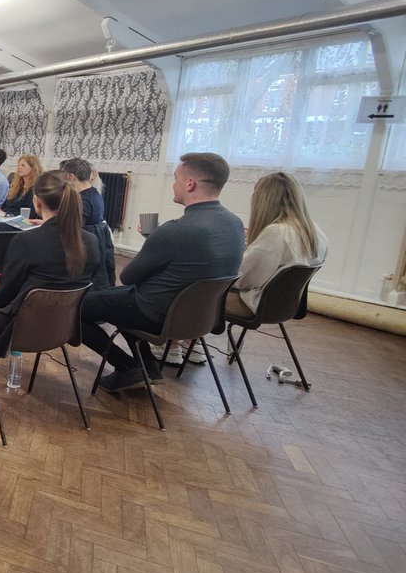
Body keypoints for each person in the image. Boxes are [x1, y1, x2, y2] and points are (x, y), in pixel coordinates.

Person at [79, 152, 244, 393]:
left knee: (75, 306)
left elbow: (128, 277)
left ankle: (127, 366)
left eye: (176, 177)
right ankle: (147, 365)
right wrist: (156, 241)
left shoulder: (175, 231)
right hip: (198, 316)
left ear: (190, 183)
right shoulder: (234, 223)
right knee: (119, 300)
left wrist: (155, 240)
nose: (174, 183)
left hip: (157, 313)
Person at [0, 171, 99, 388]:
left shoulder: (27, 241)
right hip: (62, 327)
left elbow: (2, 297)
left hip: (18, 327)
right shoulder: (90, 241)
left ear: (37, 201)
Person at [228, 171, 328, 319]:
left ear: (263, 201)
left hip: (256, 304)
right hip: (286, 306)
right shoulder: (315, 230)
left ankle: (189, 339)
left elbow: (241, 278)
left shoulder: (276, 233)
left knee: (197, 297)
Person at [60, 157, 116, 289]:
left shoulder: (82, 201)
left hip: (82, 256)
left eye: (64, 177)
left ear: (72, 177)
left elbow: (72, 231)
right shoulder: (95, 194)